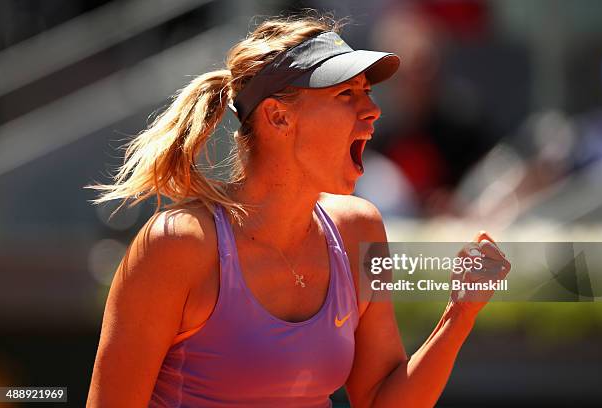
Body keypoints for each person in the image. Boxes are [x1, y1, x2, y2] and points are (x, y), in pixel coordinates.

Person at [86, 12, 510, 408]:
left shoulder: (362, 230)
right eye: (347, 93)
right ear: (278, 118)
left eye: (368, 92)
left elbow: (382, 398)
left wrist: (459, 314)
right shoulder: (177, 245)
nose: (373, 110)